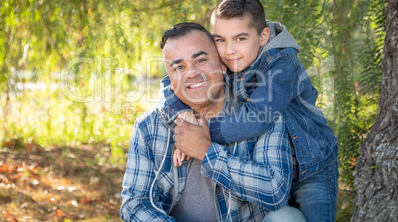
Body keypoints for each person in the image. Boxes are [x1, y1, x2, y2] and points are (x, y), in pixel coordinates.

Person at [161, 0, 339, 222]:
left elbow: (257, 117)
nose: (229, 51)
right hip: (274, 163)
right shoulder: (233, 57)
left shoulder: (282, 64)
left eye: (240, 39)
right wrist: (182, 112)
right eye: (220, 40)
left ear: (263, 36)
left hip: (312, 166)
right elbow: (171, 79)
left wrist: (205, 133)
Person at [121, 22, 306, 221]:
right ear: (170, 81)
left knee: (287, 217)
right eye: (179, 67)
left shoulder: (260, 112)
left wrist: (205, 150)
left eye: (201, 60)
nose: (191, 73)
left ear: (222, 64)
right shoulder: (149, 127)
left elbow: (275, 191)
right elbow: (134, 204)